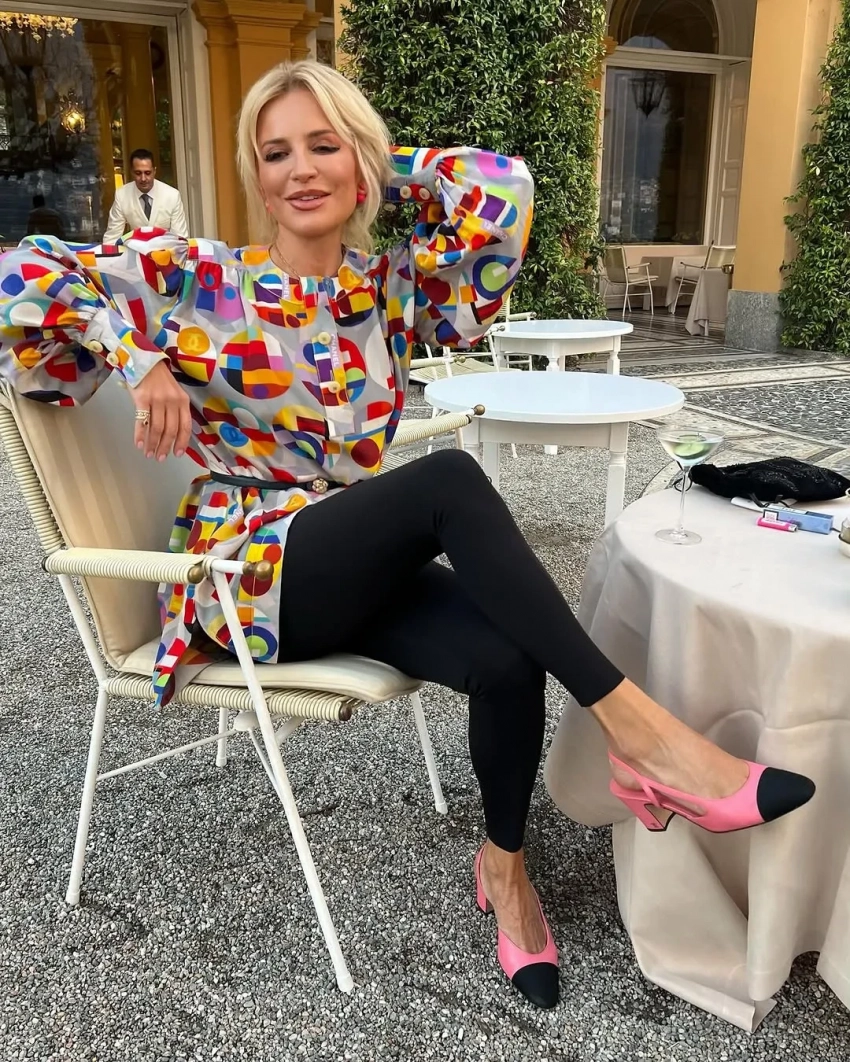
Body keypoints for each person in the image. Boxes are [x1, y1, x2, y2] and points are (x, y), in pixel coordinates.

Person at [0, 61, 815, 1011]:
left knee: (508, 656)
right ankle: (646, 737)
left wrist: (385, 163)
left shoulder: (389, 289)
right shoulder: (199, 278)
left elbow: (501, 190)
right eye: (275, 153)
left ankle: (506, 868)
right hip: (247, 577)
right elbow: (19, 273)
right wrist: (140, 359)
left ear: (362, 165)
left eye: (324, 146)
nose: (299, 170)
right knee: (446, 482)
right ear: (254, 173)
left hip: (350, 560)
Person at [102, 147, 188, 242]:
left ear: (154, 171)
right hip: (135, 249)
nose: (143, 178)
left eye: (147, 173)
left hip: (166, 249)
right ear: (132, 172)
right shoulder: (122, 195)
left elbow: (180, 239)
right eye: (138, 173)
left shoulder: (172, 195)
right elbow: (112, 237)